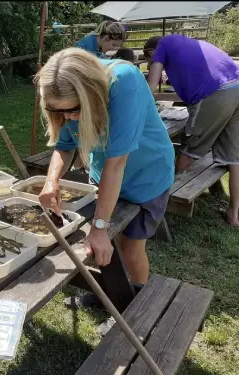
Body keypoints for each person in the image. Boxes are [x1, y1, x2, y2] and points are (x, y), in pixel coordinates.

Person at [36, 47, 175, 286]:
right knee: (109, 243)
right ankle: (117, 294)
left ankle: (137, 302)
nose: (67, 117)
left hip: (146, 176)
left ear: (92, 95)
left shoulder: (125, 82)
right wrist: (51, 182)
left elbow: (118, 161)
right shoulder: (66, 101)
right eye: (58, 111)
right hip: (105, 178)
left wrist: (99, 228)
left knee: (131, 248)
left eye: (74, 110)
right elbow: (64, 145)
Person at [144, 35, 239, 226]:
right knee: (234, 157)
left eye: (150, 60)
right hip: (236, 86)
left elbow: (150, 87)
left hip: (216, 93)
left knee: (189, 147)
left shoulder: (162, 44)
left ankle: (165, 207)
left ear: (151, 52)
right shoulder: (189, 43)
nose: (151, 63)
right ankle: (234, 213)